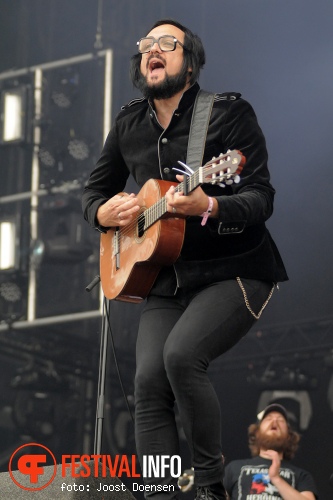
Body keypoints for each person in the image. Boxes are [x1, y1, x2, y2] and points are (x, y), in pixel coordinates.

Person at [82, 18, 288, 500]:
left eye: (167, 44)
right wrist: (102, 212)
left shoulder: (228, 114)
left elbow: (261, 198)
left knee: (180, 357)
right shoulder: (128, 122)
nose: (153, 50)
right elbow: (93, 191)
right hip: (163, 277)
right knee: (148, 383)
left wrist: (212, 204)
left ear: (190, 64)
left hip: (233, 270)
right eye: (146, 45)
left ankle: (210, 483)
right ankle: (159, 494)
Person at [223, 404, 318, 499]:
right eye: (268, 419)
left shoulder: (301, 475)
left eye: (281, 420)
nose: (274, 421)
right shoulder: (234, 468)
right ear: (256, 433)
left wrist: (276, 478)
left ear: (289, 436)